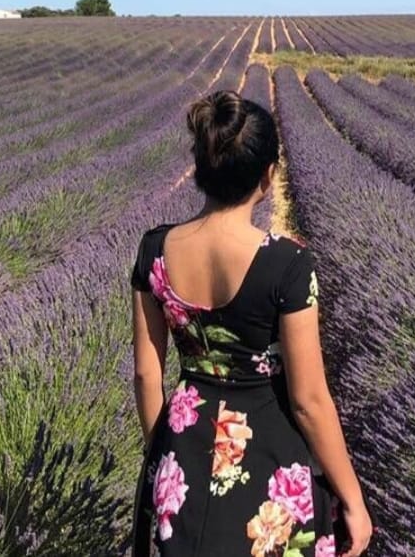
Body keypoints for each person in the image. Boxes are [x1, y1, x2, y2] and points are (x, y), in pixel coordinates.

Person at [130, 88, 373, 557]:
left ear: (200, 169)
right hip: (268, 461)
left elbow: (145, 374)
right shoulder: (287, 263)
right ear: (268, 176)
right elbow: (308, 401)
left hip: (184, 448)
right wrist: (353, 498)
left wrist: (159, 457)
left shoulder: (154, 250)